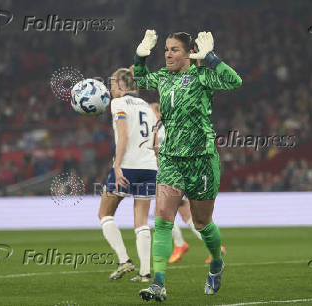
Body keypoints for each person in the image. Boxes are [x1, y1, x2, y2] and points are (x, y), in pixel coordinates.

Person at [134, 30, 242, 301]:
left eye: (174, 50)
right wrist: (140, 56)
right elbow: (140, 78)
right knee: (162, 221)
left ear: (189, 54)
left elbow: (234, 80)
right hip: (171, 159)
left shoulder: (202, 76)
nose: (168, 54)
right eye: (166, 49)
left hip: (202, 160)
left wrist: (212, 58)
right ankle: (158, 283)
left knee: (203, 223)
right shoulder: (162, 77)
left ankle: (216, 262)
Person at [97, 67, 158, 282]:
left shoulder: (118, 103)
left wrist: (117, 165)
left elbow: (122, 135)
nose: (110, 90)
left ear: (122, 86)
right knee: (141, 221)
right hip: (150, 167)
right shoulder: (149, 107)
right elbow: (156, 141)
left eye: (113, 85)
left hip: (128, 166)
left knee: (104, 214)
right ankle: (145, 272)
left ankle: (124, 260)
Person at [150, 102, 203, 264]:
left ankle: (180, 244)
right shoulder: (167, 128)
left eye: (151, 113)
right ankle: (214, 245)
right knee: (186, 214)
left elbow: (158, 151)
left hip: (170, 177)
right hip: (178, 176)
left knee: (160, 212)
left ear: (158, 114)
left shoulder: (162, 130)